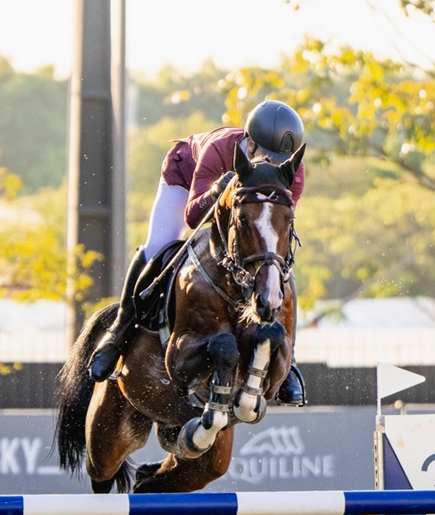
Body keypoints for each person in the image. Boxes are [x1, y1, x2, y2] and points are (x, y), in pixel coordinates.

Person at [87, 99, 308, 405]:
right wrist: (217, 191)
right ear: (250, 144)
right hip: (185, 177)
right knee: (158, 245)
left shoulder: (292, 172)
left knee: (277, 265)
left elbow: (273, 227)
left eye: (279, 160)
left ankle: (289, 359)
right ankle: (118, 333)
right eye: (267, 157)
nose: (273, 166)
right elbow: (193, 218)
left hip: (243, 210)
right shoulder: (218, 150)